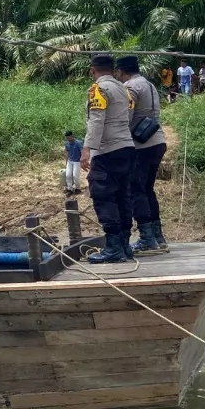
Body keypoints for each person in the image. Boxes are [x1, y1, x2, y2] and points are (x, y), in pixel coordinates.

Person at [81, 54, 135, 264]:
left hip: (108, 150)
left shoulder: (98, 89)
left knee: (103, 194)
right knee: (123, 195)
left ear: (92, 71)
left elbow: (96, 120)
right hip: (127, 148)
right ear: (113, 70)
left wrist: (87, 149)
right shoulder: (123, 88)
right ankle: (124, 245)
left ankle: (113, 247)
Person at [117, 56, 169, 255]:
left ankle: (147, 239)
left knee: (135, 190)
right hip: (157, 141)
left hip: (141, 145)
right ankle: (158, 236)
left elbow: (126, 117)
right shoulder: (149, 84)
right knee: (147, 190)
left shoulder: (130, 88)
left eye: (118, 73)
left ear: (121, 71)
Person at [64, 131, 83, 195]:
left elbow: (82, 152)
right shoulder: (67, 143)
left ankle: (78, 188)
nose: (68, 139)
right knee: (68, 175)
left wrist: (82, 161)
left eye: (68, 137)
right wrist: (66, 162)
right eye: (67, 138)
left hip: (77, 161)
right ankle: (70, 189)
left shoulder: (78, 143)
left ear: (72, 136)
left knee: (75, 176)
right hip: (70, 161)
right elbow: (66, 152)